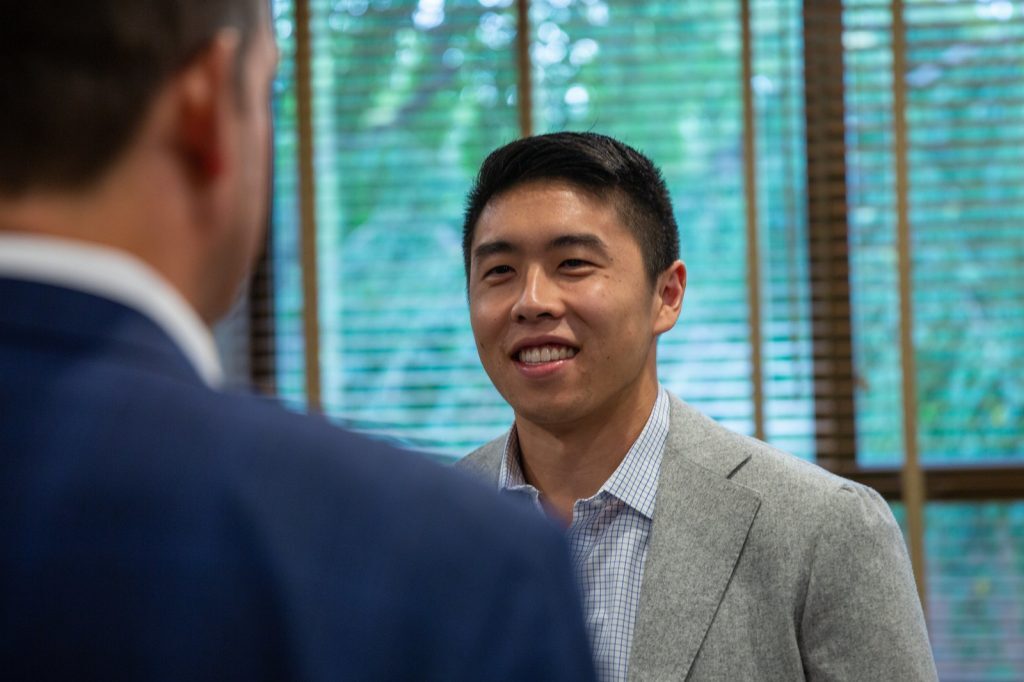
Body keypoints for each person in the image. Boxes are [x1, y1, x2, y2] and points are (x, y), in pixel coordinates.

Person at [0, 3, 596, 680]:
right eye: (265, 92)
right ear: (205, 103)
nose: (533, 302)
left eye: (574, 263)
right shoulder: (447, 566)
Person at [457, 131, 938, 681]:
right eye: (499, 271)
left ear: (667, 295)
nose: (532, 301)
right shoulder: (423, 532)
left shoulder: (824, 529)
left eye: (573, 264)